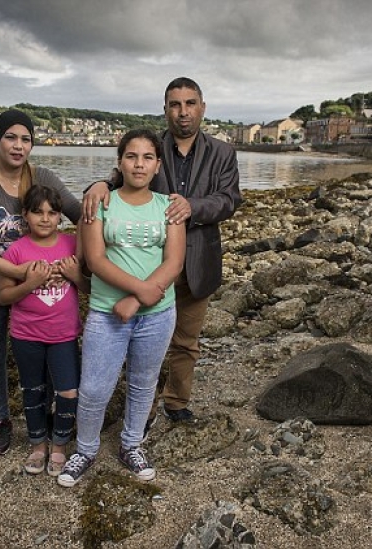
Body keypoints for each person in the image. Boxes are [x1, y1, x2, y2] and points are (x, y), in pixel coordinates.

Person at [83, 77, 242, 428]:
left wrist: (192, 207)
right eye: (175, 104)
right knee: (142, 337)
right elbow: (127, 175)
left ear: (202, 107)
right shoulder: (153, 148)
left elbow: (229, 199)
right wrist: (98, 184)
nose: (183, 112)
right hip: (149, 265)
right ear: (165, 108)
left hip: (199, 262)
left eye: (190, 103)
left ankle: (176, 401)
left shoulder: (222, 153)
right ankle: (145, 406)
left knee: (186, 342)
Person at [57, 129, 186, 487]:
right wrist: (140, 290)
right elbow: (96, 260)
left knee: (143, 384)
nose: (139, 164)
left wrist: (139, 299)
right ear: (120, 162)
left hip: (158, 315)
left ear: (158, 164)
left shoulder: (168, 207)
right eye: (131, 156)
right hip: (105, 312)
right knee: (95, 388)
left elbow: (174, 262)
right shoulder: (101, 203)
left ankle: (132, 443)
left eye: (147, 157)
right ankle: (85, 449)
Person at [0, 109, 81, 456]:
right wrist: (20, 272)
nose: (18, 145)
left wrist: (103, 190)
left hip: (37, 287)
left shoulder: (42, 176)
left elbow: (77, 212)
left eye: (25, 138)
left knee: (47, 348)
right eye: (10, 137)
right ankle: (2, 420)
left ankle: (53, 414)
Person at [0, 185, 89, 476]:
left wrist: (77, 276)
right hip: (26, 336)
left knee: (69, 391)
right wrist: (31, 282)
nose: (45, 218)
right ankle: (38, 445)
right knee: (33, 391)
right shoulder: (15, 251)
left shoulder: (72, 244)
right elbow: (3, 296)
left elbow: (89, 289)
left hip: (64, 335)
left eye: (52, 212)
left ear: (61, 216)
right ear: (25, 215)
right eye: (37, 212)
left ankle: (60, 445)